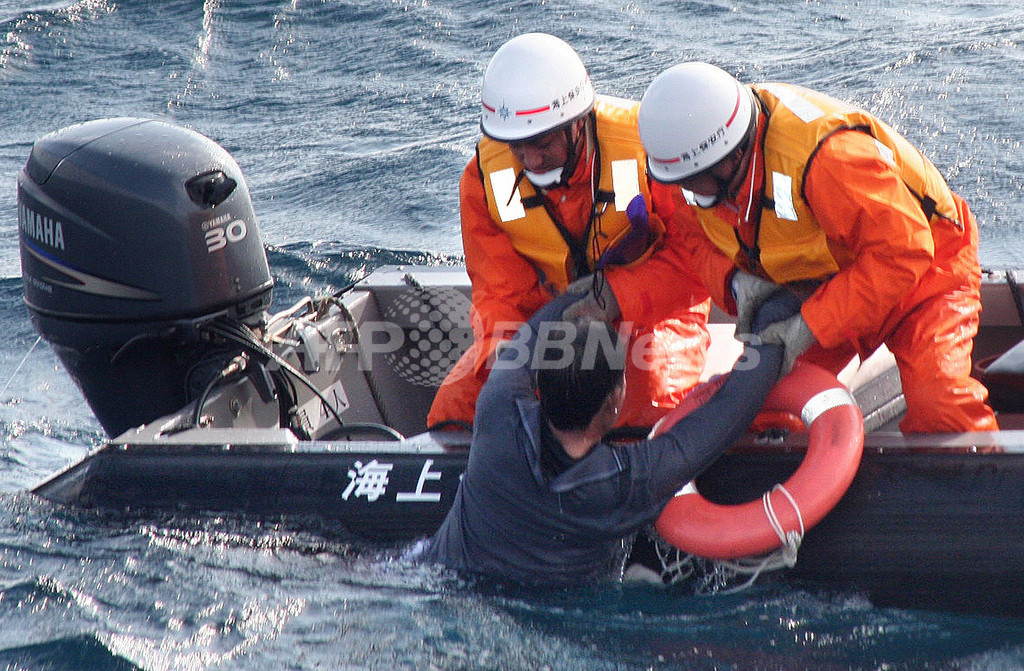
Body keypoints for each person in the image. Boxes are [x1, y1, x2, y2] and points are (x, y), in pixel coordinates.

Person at [636, 62, 998, 433]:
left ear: (731, 159)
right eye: (684, 182)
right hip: (817, 286)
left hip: (926, 273)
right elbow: (692, 239)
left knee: (940, 407)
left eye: (697, 182)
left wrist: (811, 325)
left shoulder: (828, 160)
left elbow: (903, 253)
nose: (690, 192)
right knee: (761, 415)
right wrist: (735, 284)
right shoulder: (680, 172)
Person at [427, 33, 711, 430]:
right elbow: (498, 289)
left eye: (542, 143)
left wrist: (614, 298)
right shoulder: (482, 179)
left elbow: (698, 266)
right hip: (546, 321)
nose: (531, 159)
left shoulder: (651, 150)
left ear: (578, 124)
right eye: (517, 147)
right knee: (459, 409)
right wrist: (504, 352)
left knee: (642, 406)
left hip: (649, 317)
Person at [423, 290, 794, 583]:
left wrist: (587, 293)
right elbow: (731, 409)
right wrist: (774, 323)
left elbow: (530, 334)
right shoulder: (627, 483)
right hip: (549, 614)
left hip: (440, 575)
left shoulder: (497, 410)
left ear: (537, 383)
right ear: (615, 401)